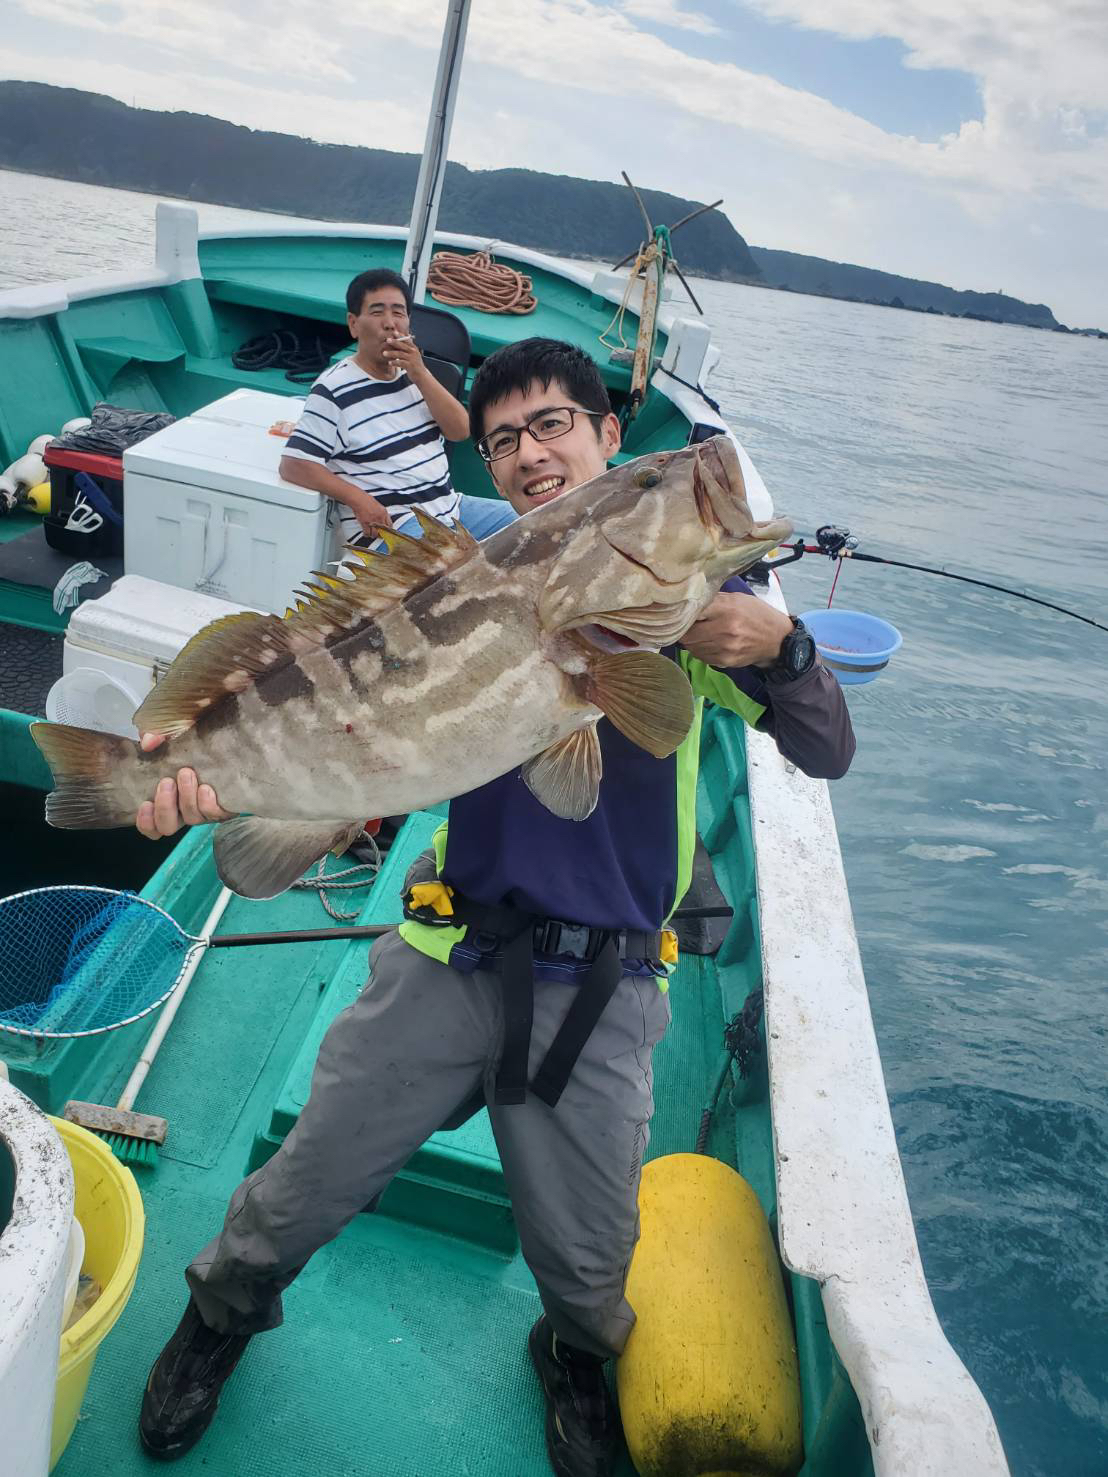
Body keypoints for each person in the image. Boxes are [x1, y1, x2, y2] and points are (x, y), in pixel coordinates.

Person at [136, 339, 855, 1477]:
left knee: (586, 1261)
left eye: (556, 423)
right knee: (295, 1191)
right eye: (506, 437)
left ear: (608, 439)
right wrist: (202, 773)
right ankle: (215, 1320)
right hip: (445, 946)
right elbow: (319, 724)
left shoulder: (700, 619)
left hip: (607, 990)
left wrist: (786, 647)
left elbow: (824, 746)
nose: (530, 452)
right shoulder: (458, 565)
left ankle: (570, 1351)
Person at [280, 267, 516, 545]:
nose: (390, 323)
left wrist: (420, 373)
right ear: (354, 324)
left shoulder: (414, 376)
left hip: (449, 510)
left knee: (534, 520)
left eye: (399, 312)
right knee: (459, 570)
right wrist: (359, 499)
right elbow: (294, 464)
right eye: (377, 312)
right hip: (395, 528)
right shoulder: (333, 389)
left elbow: (460, 430)